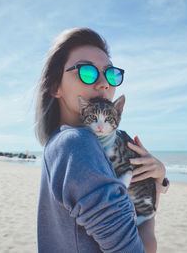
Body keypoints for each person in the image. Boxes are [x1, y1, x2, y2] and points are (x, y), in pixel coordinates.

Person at [35, 27, 167, 253]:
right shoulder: (77, 143)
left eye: (110, 73)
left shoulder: (58, 142)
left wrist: (159, 177)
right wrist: (150, 217)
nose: (105, 83)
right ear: (55, 86)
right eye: (87, 71)